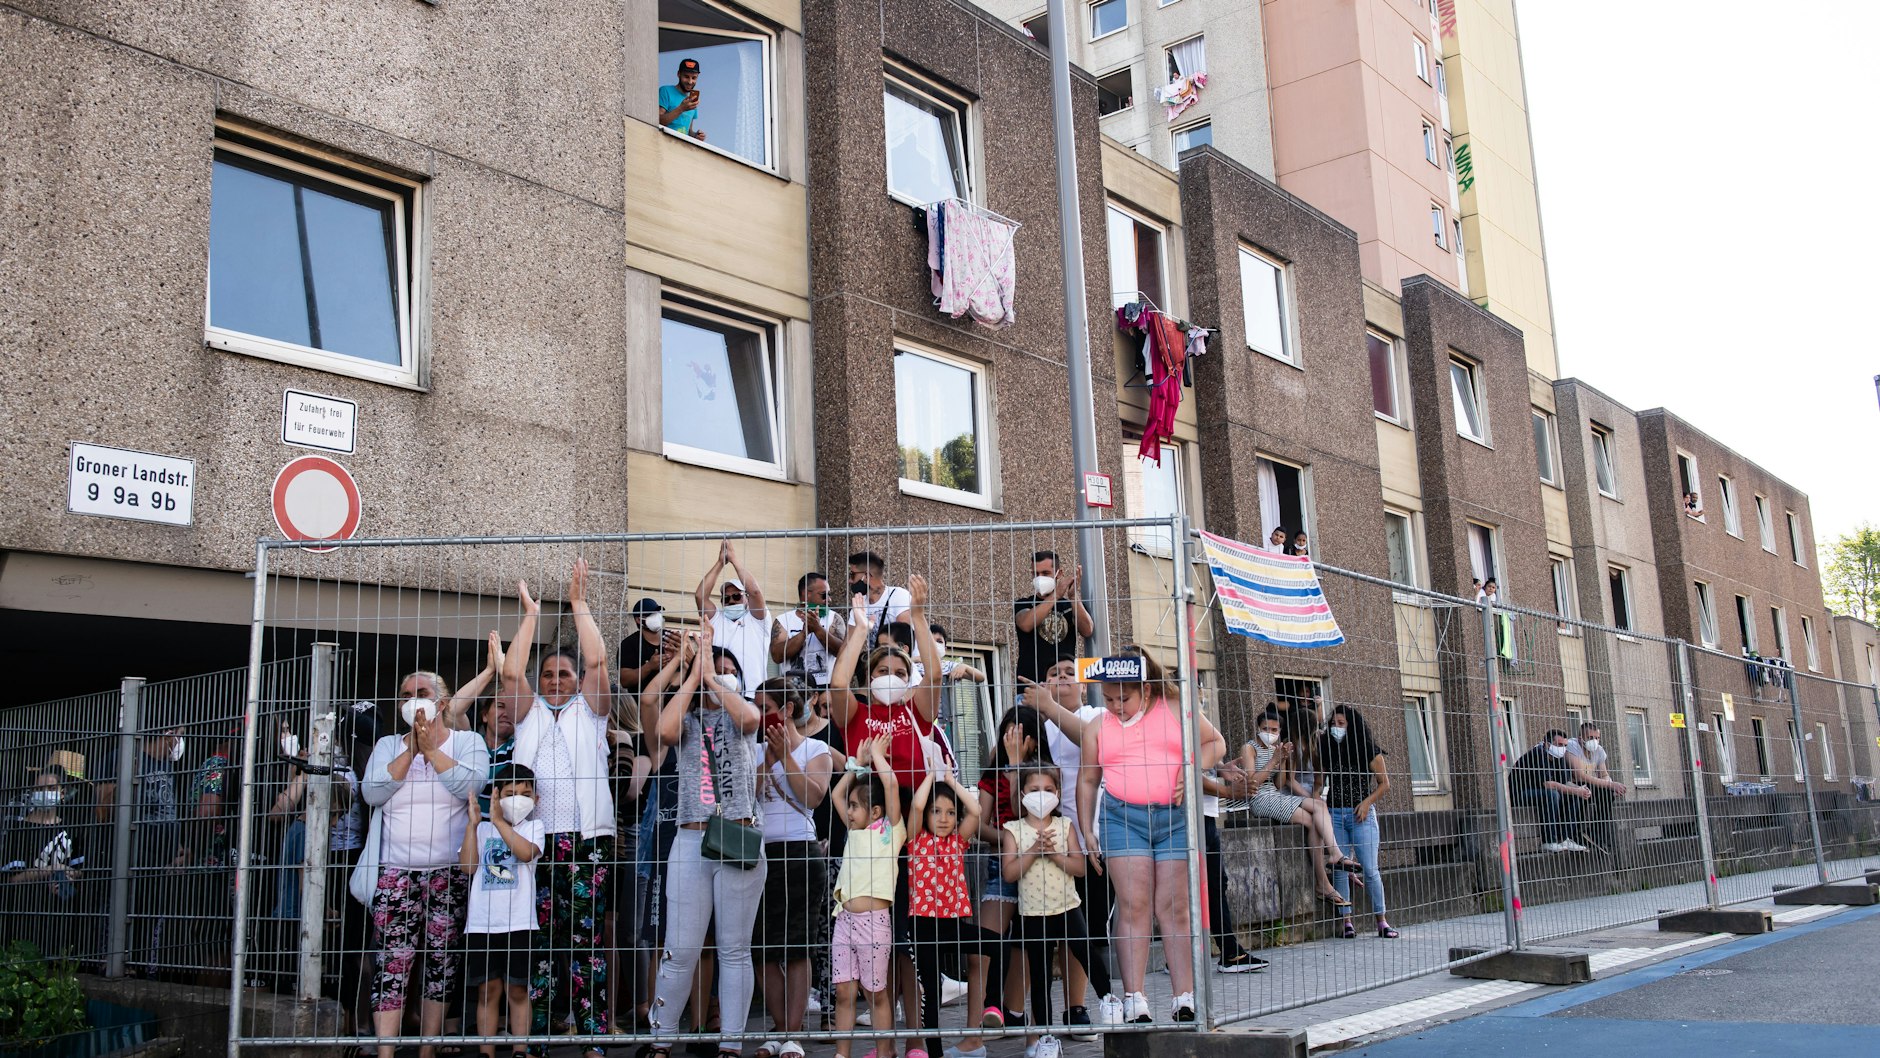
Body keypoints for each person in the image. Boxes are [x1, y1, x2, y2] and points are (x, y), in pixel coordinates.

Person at [499, 560, 618, 1048]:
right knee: (544, 946)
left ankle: (592, 1037)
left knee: (586, 945)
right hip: (538, 846)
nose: (553, 680)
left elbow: (598, 663)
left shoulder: (590, 712)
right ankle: (544, 1036)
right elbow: (510, 671)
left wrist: (578, 605)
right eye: (546, 674)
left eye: (561, 673)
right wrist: (530, 616)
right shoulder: (526, 717)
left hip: (587, 843)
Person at [1076, 646, 1225, 1025]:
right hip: (1122, 818)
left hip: (1174, 819)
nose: (1115, 706)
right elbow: (1089, 779)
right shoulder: (1098, 726)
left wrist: (1190, 771)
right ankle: (1134, 997)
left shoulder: (1174, 708)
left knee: (1173, 908)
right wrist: (1086, 830)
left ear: (1145, 687)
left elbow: (1215, 743)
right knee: (1134, 906)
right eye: (1107, 698)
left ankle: (1184, 996)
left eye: (1123, 697)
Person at [645, 624, 767, 1058]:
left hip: (738, 836)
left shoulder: (743, 716)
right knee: (680, 948)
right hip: (690, 840)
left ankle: (731, 1045)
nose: (721, 673)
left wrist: (713, 678)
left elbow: (750, 717)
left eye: (729, 669)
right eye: (714, 667)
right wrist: (693, 674)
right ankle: (661, 1040)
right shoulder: (689, 718)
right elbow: (662, 727)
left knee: (734, 949)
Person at [360, 676, 491, 1058]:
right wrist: (411, 752)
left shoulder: (468, 742)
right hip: (395, 871)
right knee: (391, 962)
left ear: (444, 701)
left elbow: (472, 785)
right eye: (405, 695)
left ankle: (428, 1049)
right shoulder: (387, 745)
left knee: (441, 961)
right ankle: (386, 1051)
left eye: (421, 693)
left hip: (448, 871)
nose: (411, 700)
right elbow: (371, 792)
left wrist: (432, 750)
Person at [1020, 660, 1115, 1033]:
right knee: (1043, 935)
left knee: (1085, 930)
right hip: (1041, 844)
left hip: (1091, 841)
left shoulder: (1097, 713)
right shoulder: (1037, 721)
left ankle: (1077, 1008)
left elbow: (1091, 740)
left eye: (1067, 672)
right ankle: (1031, 1019)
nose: (1059, 677)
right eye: (1052, 674)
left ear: (1085, 687)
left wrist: (1049, 706)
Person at [752, 678, 834, 1058]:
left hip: (801, 852)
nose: (757, 713)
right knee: (762, 947)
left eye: (763, 706)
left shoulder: (816, 748)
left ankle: (792, 1032)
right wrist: (766, 760)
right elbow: (743, 798)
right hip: (758, 854)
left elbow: (813, 796)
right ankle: (781, 1026)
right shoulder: (752, 751)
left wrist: (785, 756)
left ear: (785, 710)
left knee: (798, 946)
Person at [906, 763, 1000, 1058]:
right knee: (931, 994)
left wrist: (950, 781)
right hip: (922, 926)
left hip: (953, 925)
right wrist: (931, 777)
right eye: (937, 812)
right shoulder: (915, 841)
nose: (944, 819)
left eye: (949, 812)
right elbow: (918, 804)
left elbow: (975, 811)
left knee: (997, 945)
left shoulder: (958, 842)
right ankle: (935, 1053)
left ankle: (992, 1005)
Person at [1002, 763, 1094, 1058]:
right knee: (1037, 972)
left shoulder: (1064, 826)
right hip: (1031, 911)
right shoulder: (1015, 830)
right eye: (1033, 790)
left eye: (1048, 790)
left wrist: (1053, 854)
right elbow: (1010, 872)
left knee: (1079, 950)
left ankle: (1076, 1011)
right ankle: (1037, 1034)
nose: (1041, 796)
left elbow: (1079, 866)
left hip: (1065, 905)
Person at [1238, 710, 1365, 909]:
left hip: (1275, 795)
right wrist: (1274, 760)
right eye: (1265, 729)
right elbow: (1252, 783)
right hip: (1259, 799)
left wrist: (1281, 762)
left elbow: (1279, 784)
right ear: (1257, 728)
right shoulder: (1250, 748)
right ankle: (1333, 860)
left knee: (1316, 814)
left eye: (1274, 729)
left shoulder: (1276, 749)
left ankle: (1325, 879)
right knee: (1317, 810)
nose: (1269, 733)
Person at [461, 765, 545, 1058]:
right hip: (483, 925)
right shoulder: (483, 829)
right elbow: (468, 866)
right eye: (511, 794)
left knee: (518, 991)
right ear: (496, 796)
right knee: (487, 991)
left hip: (520, 924)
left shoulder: (535, 827)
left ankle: (520, 1050)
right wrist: (474, 825)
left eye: (526, 794)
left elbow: (525, 853)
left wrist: (498, 822)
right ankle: (487, 1051)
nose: (519, 799)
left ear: (536, 799)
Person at [827, 736, 902, 1058]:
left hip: (874, 923)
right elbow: (835, 794)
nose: (850, 811)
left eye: (856, 807)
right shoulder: (854, 832)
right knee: (844, 992)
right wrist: (856, 765)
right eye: (851, 807)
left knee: (876, 993)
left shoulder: (890, 831)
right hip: (844, 919)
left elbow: (892, 787)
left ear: (875, 811)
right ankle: (842, 1054)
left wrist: (878, 757)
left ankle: (885, 1052)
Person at [94, 725, 186, 976]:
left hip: (160, 865)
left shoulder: (169, 766)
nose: (180, 741)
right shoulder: (120, 758)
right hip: (130, 861)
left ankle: (148, 971)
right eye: (180, 734)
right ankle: (114, 967)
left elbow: (167, 808)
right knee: (122, 914)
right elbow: (102, 813)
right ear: (168, 733)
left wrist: (177, 847)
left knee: (151, 922)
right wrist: (125, 781)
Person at [1317, 705, 1397, 939]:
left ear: (1352, 726)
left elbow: (1384, 784)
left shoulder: (1368, 750)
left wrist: (1366, 803)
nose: (1336, 728)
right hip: (1335, 813)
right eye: (1333, 724)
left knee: (1370, 869)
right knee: (1341, 868)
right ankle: (1347, 921)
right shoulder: (1328, 749)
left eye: (1341, 724)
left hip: (1360, 815)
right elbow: (1320, 783)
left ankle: (1382, 920)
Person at [3, 763, 87, 960]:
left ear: (62, 793)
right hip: (25, 915)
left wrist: (66, 875)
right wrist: (50, 870)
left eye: (51, 789)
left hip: (62, 919)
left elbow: (82, 869)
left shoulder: (72, 829)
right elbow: (12, 878)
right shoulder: (19, 830)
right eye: (39, 789)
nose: (45, 793)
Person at [1198, 761, 1264, 972]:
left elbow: (1199, 761)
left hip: (1205, 813)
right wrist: (1227, 791)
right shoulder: (1184, 727)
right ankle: (1227, 952)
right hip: (1189, 814)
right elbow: (1186, 771)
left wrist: (1218, 767)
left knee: (1214, 884)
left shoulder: (1199, 730)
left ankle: (1228, 951)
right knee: (1199, 887)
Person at [699, 541, 774, 696]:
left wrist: (734, 560)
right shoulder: (716, 620)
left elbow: (755, 592)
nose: (731, 600)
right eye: (726, 598)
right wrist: (720, 563)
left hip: (753, 695)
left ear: (746, 599)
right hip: (719, 695)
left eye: (736, 596)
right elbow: (700, 596)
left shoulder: (757, 620)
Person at [1013, 551, 1092, 688]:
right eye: (1035, 574)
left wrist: (1073, 597)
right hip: (1030, 686)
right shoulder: (1024, 603)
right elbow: (1026, 624)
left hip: (1062, 684)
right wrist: (1056, 595)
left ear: (1058, 573)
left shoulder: (1070, 605)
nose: (1040, 578)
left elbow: (1087, 630)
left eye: (1045, 573)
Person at [1509, 730, 1590, 853]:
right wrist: (1574, 790)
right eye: (1559, 745)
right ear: (1547, 744)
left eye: (1564, 745)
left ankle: (1564, 838)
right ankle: (1549, 841)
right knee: (1552, 795)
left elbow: (1565, 783)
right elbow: (1548, 784)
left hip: (1539, 793)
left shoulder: (1559, 757)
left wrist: (1580, 789)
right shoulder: (1538, 754)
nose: (1562, 749)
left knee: (1574, 795)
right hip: (1519, 793)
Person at [773, 573, 847, 698]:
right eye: (824, 595)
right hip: (793, 689)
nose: (829, 599)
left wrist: (817, 629)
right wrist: (803, 634)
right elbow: (777, 656)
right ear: (807, 594)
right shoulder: (783, 620)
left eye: (829, 595)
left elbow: (843, 652)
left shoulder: (834, 618)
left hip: (827, 688)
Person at [1564, 723, 1626, 855]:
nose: (1594, 741)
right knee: (1585, 792)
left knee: (1607, 794)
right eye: (1591, 737)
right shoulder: (1572, 746)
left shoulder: (1599, 750)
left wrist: (1610, 784)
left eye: (1597, 738)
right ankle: (1577, 834)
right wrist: (1610, 784)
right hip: (1572, 785)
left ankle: (1596, 832)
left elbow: (1604, 774)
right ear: (1581, 738)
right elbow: (1579, 775)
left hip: (1590, 785)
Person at [846, 552, 911, 651]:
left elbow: (903, 640)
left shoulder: (899, 596)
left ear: (867, 575)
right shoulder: (860, 603)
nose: (849, 581)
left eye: (852, 575)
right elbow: (847, 644)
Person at [621, 599, 679, 695]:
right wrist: (649, 667)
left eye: (658, 613)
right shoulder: (629, 644)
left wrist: (675, 660)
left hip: (671, 702)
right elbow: (624, 681)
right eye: (651, 614)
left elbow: (686, 670)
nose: (657, 617)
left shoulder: (671, 638)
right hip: (641, 705)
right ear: (639, 620)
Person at [659, 57, 706, 141]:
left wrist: (696, 135)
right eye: (686, 76)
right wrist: (681, 108)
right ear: (678, 74)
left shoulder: (691, 101)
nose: (690, 81)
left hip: (681, 149)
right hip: (664, 145)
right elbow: (658, 120)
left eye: (694, 78)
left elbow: (688, 131)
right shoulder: (665, 91)